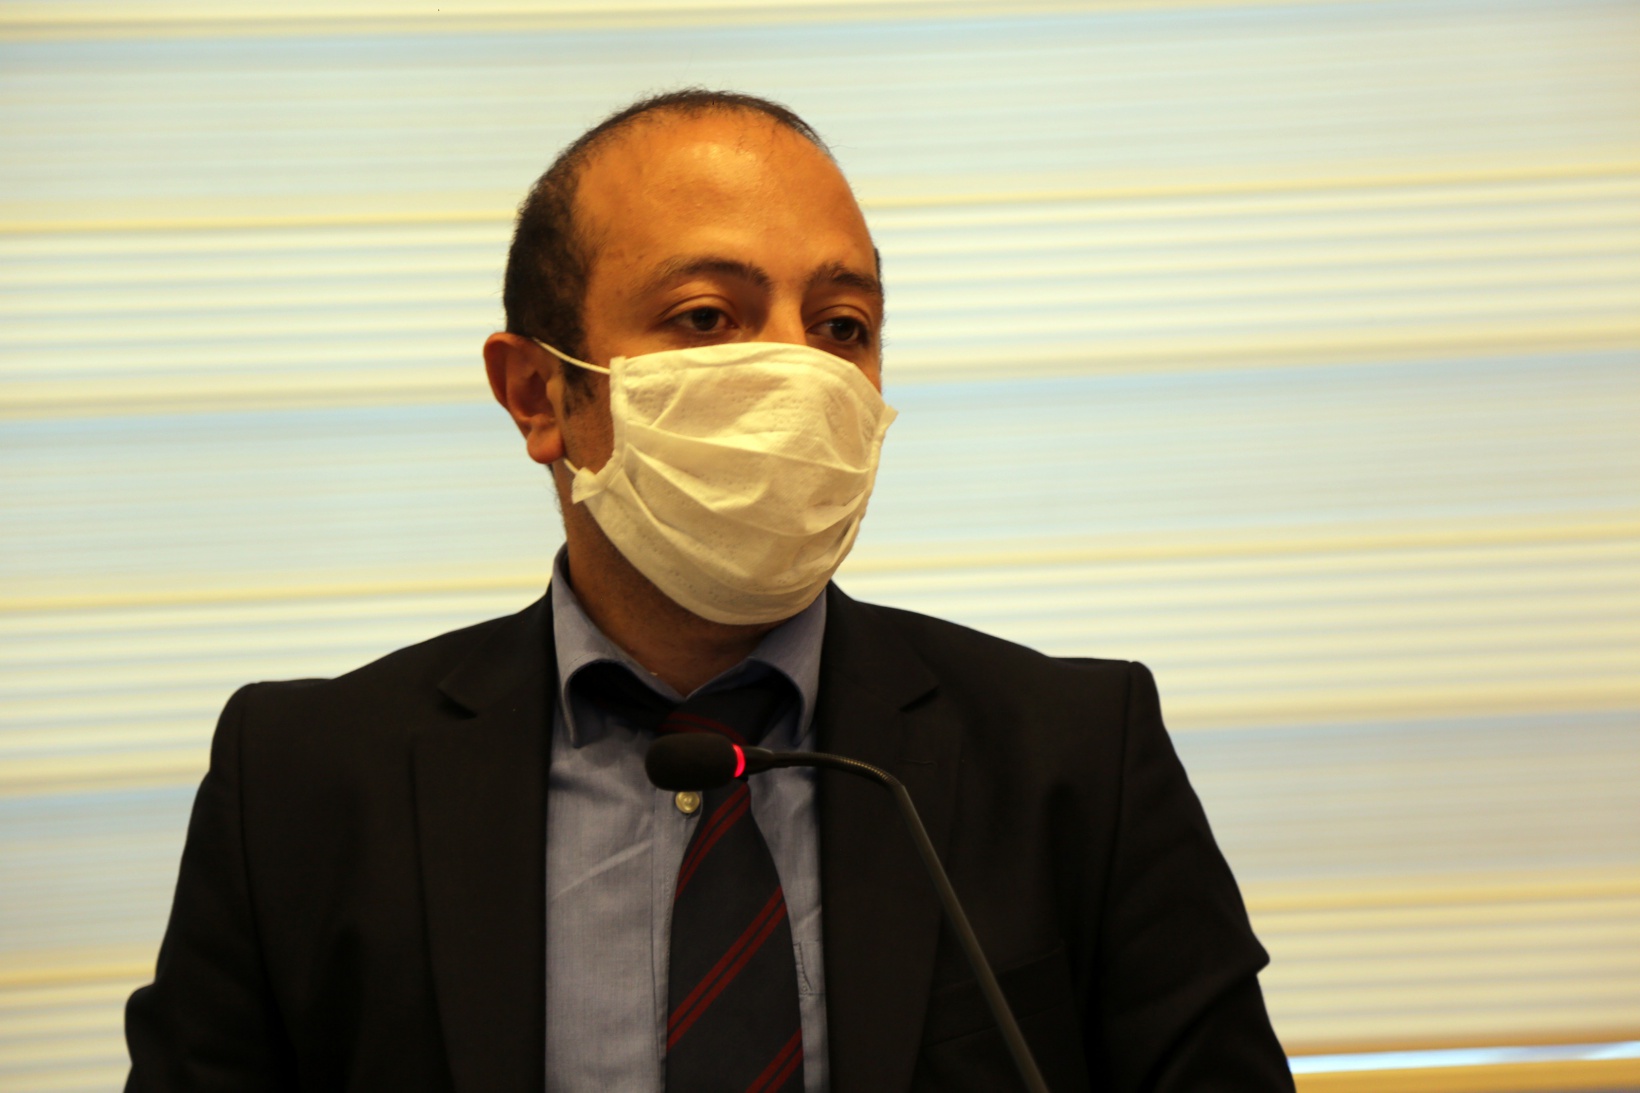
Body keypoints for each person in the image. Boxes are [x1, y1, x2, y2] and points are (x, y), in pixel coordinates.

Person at [125, 90, 1293, 1092]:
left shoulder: (1076, 758)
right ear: (538, 395)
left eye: (841, 326)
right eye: (704, 318)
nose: (794, 370)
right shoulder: (302, 784)